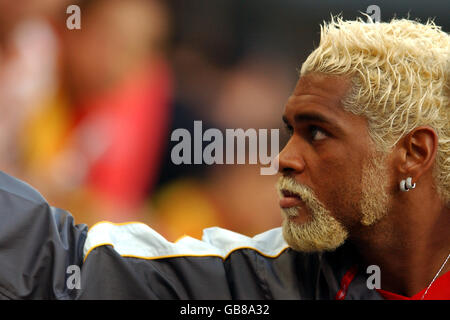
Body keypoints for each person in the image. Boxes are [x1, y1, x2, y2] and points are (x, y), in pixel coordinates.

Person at [0, 17, 448, 300]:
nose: (283, 159)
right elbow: (65, 265)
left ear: (413, 154)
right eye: (291, 132)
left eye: (318, 133)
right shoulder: (263, 280)